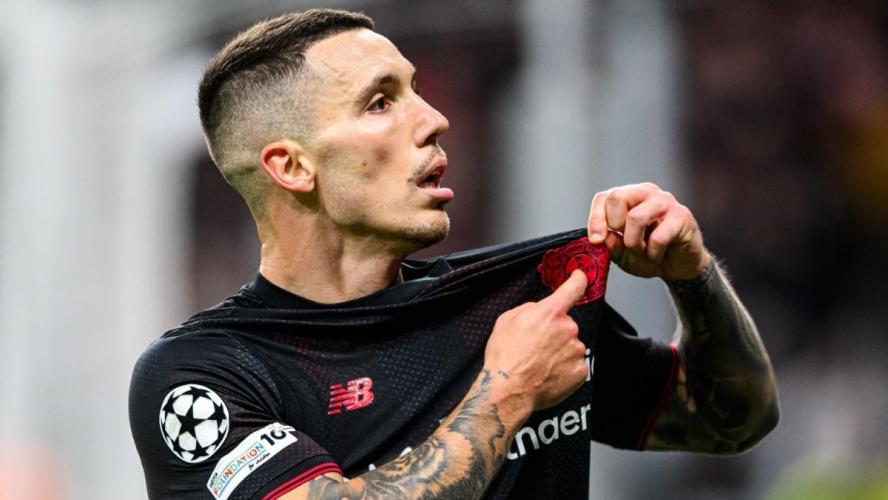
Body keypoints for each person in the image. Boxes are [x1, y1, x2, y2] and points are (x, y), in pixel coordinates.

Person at [129, 9, 779, 500]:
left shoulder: (518, 306)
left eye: (416, 91)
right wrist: (506, 393)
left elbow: (730, 420)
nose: (434, 118)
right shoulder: (202, 376)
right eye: (380, 102)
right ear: (293, 167)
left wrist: (693, 276)